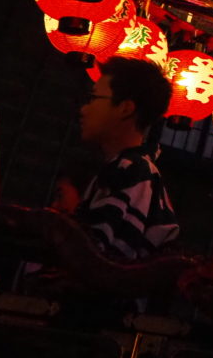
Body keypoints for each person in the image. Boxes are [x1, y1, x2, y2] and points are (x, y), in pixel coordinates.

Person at [74, 57, 180, 262]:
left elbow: (96, 261)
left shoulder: (131, 170)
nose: (83, 109)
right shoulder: (135, 168)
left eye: (93, 98)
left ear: (125, 108)